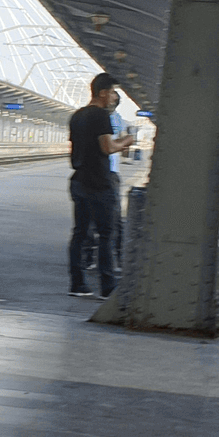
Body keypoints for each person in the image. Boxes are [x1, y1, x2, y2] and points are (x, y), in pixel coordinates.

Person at [67, 73, 134, 299]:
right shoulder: (100, 116)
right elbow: (107, 148)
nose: (115, 97)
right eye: (114, 92)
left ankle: (77, 284)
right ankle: (108, 287)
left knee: (80, 233)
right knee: (107, 234)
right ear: (104, 93)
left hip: (79, 179)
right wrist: (127, 141)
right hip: (99, 182)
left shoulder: (77, 116)